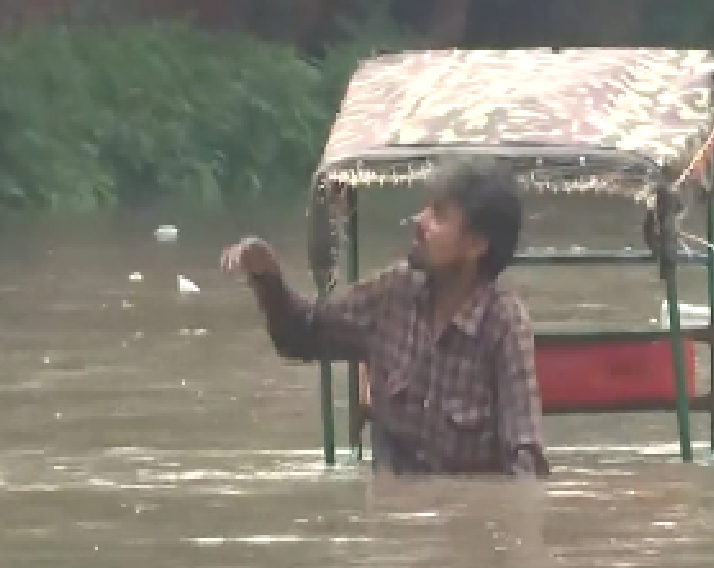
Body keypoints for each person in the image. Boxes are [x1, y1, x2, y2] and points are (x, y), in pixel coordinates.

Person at [220, 157, 549, 477]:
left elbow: (525, 456)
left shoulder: (503, 323)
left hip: (466, 525)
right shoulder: (394, 293)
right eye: (426, 207)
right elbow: (300, 336)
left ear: (476, 244)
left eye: (439, 215)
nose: (419, 221)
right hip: (393, 519)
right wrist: (266, 276)